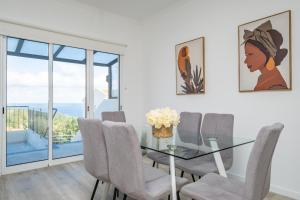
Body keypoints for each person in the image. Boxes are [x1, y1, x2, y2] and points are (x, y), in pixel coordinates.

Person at [243, 20, 288, 91]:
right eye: (246, 55)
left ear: (268, 52)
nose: (245, 61)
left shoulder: (276, 86)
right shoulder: (263, 78)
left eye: (250, 54)